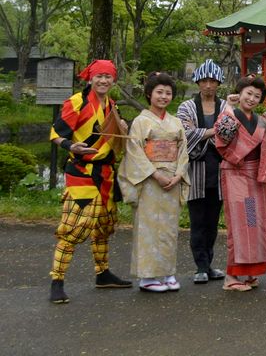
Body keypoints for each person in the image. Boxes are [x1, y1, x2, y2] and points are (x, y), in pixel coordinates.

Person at [48, 59, 132, 304]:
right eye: (99, 76)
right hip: (82, 172)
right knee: (73, 227)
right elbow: (56, 132)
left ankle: (103, 273)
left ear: (113, 80)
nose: (104, 80)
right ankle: (57, 280)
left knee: (104, 226)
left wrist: (123, 128)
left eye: (108, 77)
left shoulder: (112, 104)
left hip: (106, 173)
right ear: (91, 78)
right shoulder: (76, 102)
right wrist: (69, 145)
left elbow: (118, 138)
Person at [118, 72, 189, 292]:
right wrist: (155, 174)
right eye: (159, 92)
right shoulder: (141, 121)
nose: (164, 96)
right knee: (148, 227)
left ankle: (167, 273)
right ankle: (147, 276)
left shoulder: (175, 122)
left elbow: (183, 151)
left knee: (169, 229)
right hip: (150, 180)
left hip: (172, 178)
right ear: (149, 94)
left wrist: (179, 174)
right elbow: (135, 152)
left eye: (168, 93)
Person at [213, 76, 266, 292]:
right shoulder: (229, 114)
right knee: (240, 225)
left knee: (253, 223)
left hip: (254, 175)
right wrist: (229, 108)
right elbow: (222, 137)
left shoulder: (260, 120)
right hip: (236, 174)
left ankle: (249, 272)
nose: (251, 98)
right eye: (248, 93)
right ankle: (231, 276)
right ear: (239, 93)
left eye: (256, 96)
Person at [176, 59, 226, 283]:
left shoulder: (225, 106)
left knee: (213, 222)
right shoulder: (186, 107)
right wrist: (213, 132)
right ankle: (200, 267)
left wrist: (204, 133)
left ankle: (209, 263)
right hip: (195, 170)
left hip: (218, 170)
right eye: (204, 81)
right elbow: (184, 134)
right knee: (197, 221)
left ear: (218, 83)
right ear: (197, 82)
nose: (208, 85)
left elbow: (229, 133)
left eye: (212, 81)